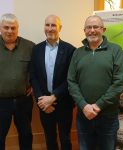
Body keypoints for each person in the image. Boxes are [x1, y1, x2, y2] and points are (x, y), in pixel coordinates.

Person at [67, 15, 123, 150]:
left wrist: (98, 106)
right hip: (84, 115)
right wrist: (84, 106)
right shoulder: (77, 53)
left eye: (96, 27)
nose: (92, 30)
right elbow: (71, 81)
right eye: (89, 27)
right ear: (84, 30)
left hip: (108, 116)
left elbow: (119, 83)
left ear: (103, 29)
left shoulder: (115, 50)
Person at [30, 14, 76, 150]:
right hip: (44, 103)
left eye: (53, 25)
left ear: (60, 28)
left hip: (64, 103)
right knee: (49, 138)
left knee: (65, 138)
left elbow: (71, 78)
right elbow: (34, 77)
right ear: (44, 27)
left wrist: (54, 97)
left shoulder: (70, 50)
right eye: (47, 25)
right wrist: (42, 102)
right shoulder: (36, 49)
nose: (50, 28)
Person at [0, 13, 35, 150]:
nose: (9, 31)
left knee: (26, 135)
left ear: (18, 28)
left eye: (13, 28)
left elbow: (38, 70)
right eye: (6, 27)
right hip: (1, 102)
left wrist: (33, 84)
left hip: (23, 101)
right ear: (1, 28)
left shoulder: (30, 47)